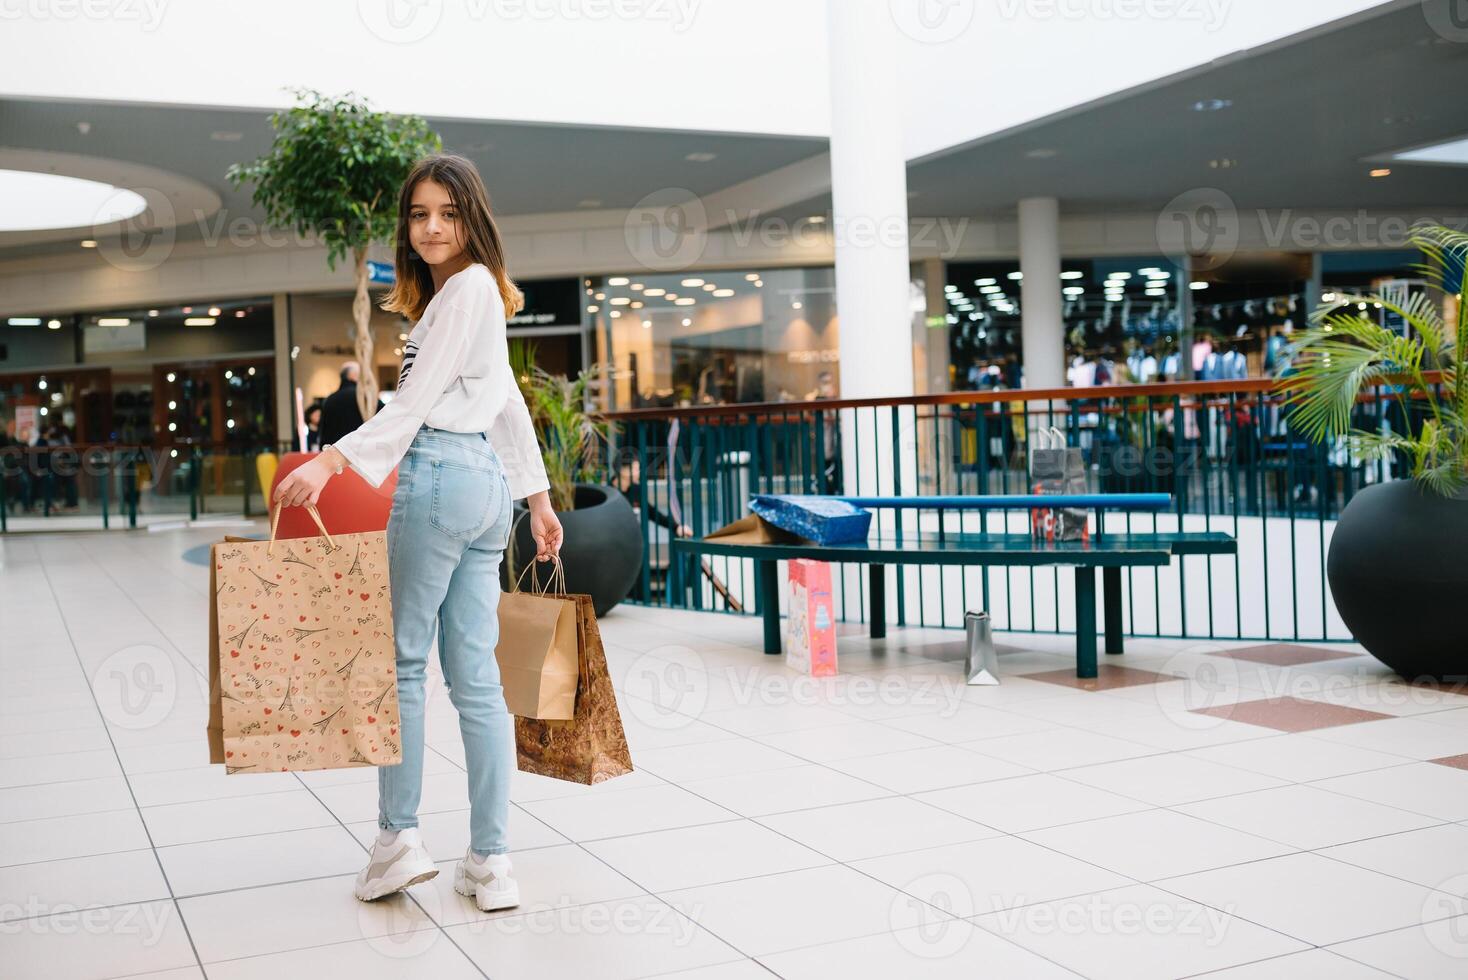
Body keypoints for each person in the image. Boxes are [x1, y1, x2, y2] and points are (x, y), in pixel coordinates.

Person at [272, 153, 563, 913]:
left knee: (401, 664)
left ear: (473, 220)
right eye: (419, 214)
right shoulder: (477, 296)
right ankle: (492, 861)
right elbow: (504, 405)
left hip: (437, 478)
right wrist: (535, 497)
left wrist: (331, 460)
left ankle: (397, 841)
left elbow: (416, 404)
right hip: (483, 490)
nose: (432, 227)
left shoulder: (463, 292)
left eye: (449, 213)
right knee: (476, 679)